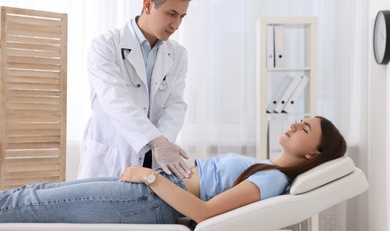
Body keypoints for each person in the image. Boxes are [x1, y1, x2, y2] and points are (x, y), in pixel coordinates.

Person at [0, 116, 347, 224]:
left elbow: (204, 211)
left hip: (148, 198)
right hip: (151, 191)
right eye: (301, 120)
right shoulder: (268, 167)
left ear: (314, 153)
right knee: (35, 194)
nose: (295, 124)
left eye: (305, 129)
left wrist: (148, 176)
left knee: (30, 202)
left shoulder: (272, 179)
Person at [78, 0, 193, 180]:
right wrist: (155, 140)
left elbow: (175, 104)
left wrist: (164, 142)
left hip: (154, 162)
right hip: (112, 158)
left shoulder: (177, 55)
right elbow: (114, 99)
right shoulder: (106, 45)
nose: (176, 25)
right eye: (171, 14)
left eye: (181, 17)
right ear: (148, 5)